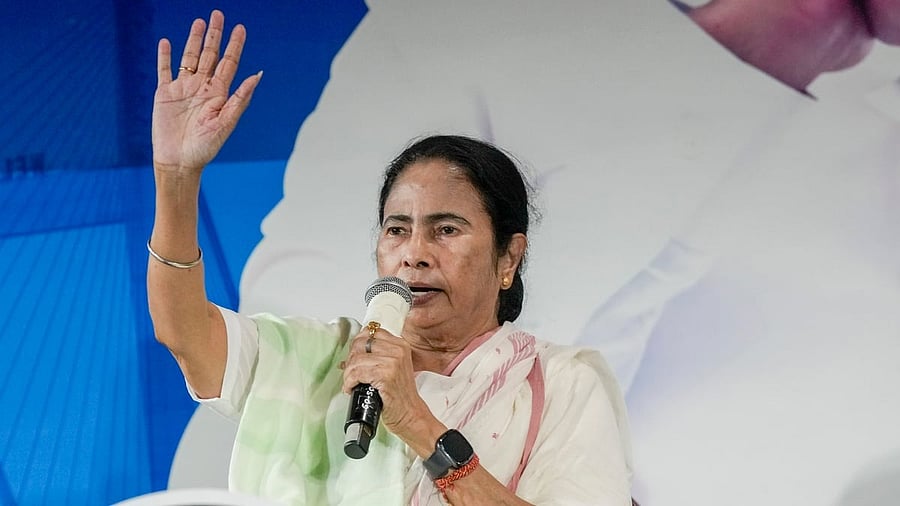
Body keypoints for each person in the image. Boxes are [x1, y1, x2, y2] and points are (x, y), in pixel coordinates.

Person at [231, 1, 900, 504]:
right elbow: (305, 366)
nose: (415, 253)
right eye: (404, 233)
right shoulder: (451, 41)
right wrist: (776, 41)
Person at [147, 10, 633, 506]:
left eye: (446, 230)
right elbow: (183, 333)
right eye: (397, 230)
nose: (414, 254)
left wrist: (416, 422)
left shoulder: (560, 384)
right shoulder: (324, 360)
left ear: (509, 257)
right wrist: (176, 178)